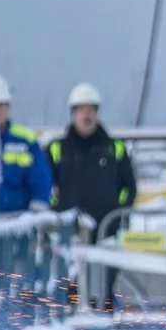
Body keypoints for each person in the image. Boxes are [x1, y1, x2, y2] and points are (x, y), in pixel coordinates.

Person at [50, 84, 136, 309]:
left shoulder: (114, 148)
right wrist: (56, 214)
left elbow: (129, 186)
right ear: (73, 114)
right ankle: (72, 328)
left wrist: (119, 214)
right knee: (70, 287)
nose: (86, 115)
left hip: (105, 230)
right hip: (70, 233)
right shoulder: (57, 149)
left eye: (91, 110)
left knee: (104, 286)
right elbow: (46, 187)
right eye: (81, 110)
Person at [0, 74, 54, 219]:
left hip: (15, 220)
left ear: (8, 106)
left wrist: (36, 212)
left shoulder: (25, 140)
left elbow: (41, 179)